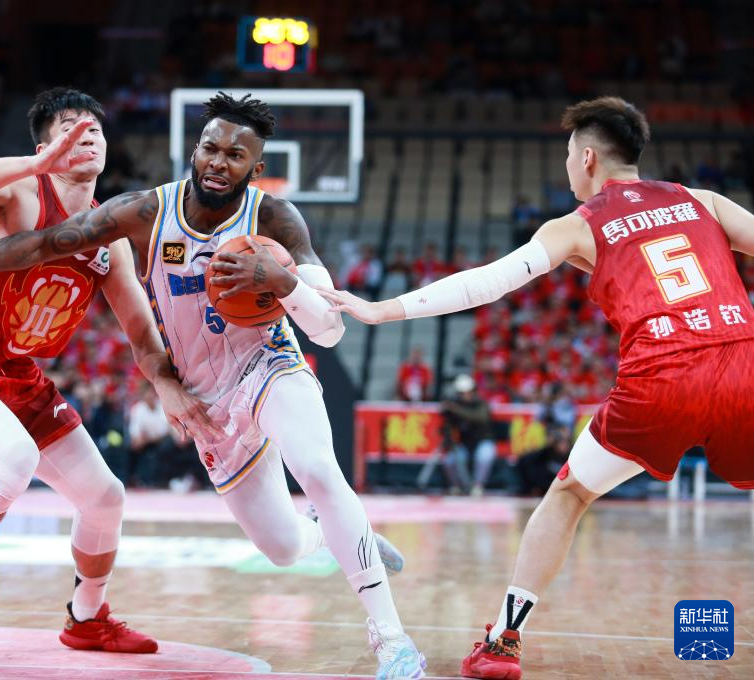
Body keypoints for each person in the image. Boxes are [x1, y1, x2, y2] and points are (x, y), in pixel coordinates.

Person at [0, 92, 427, 680]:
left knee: (312, 471)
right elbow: (19, 224)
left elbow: (325, 330)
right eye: (210, 148)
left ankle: (391, 640)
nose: (218, 161)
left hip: (266, 365)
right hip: (190, 397)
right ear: (193, 150)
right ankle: (329, 535)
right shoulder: (133, 211)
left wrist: (283, 284)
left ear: (256, 167)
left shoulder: (274, 219)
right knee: (282, 547)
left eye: (235, 154)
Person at [318, 96, 754, 679]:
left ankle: (503, 641)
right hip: (744, 362)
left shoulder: (578, 224)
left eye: (569, 154)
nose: (568, 166)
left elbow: (485, 284)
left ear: (588, 157)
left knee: (569, 496)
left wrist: (381, 310)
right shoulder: (702, 200)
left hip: (663, 374)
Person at [0, 87, 217, 653]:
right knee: (12, 457)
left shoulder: (109, 239)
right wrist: (36, 164)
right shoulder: (19, 191)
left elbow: (141, 333)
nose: (86, 136)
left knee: (106, 497)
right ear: (45, 147)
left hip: (14, 372)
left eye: (95, 129)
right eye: (70, 129)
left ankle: (86, 617)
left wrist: (166, 385)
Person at [439, 374, 496, 497]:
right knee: (449, 460)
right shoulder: (454, 405)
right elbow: (447, 426)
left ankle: (478, 486)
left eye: (468, 392)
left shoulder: (480, 403)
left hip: (482, 441)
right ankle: (456, 487)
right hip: (464, 443)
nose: (465, 395)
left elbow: (480, 417)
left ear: (473, 391)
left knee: (485, 456)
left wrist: (456, 409)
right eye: (462, 393)